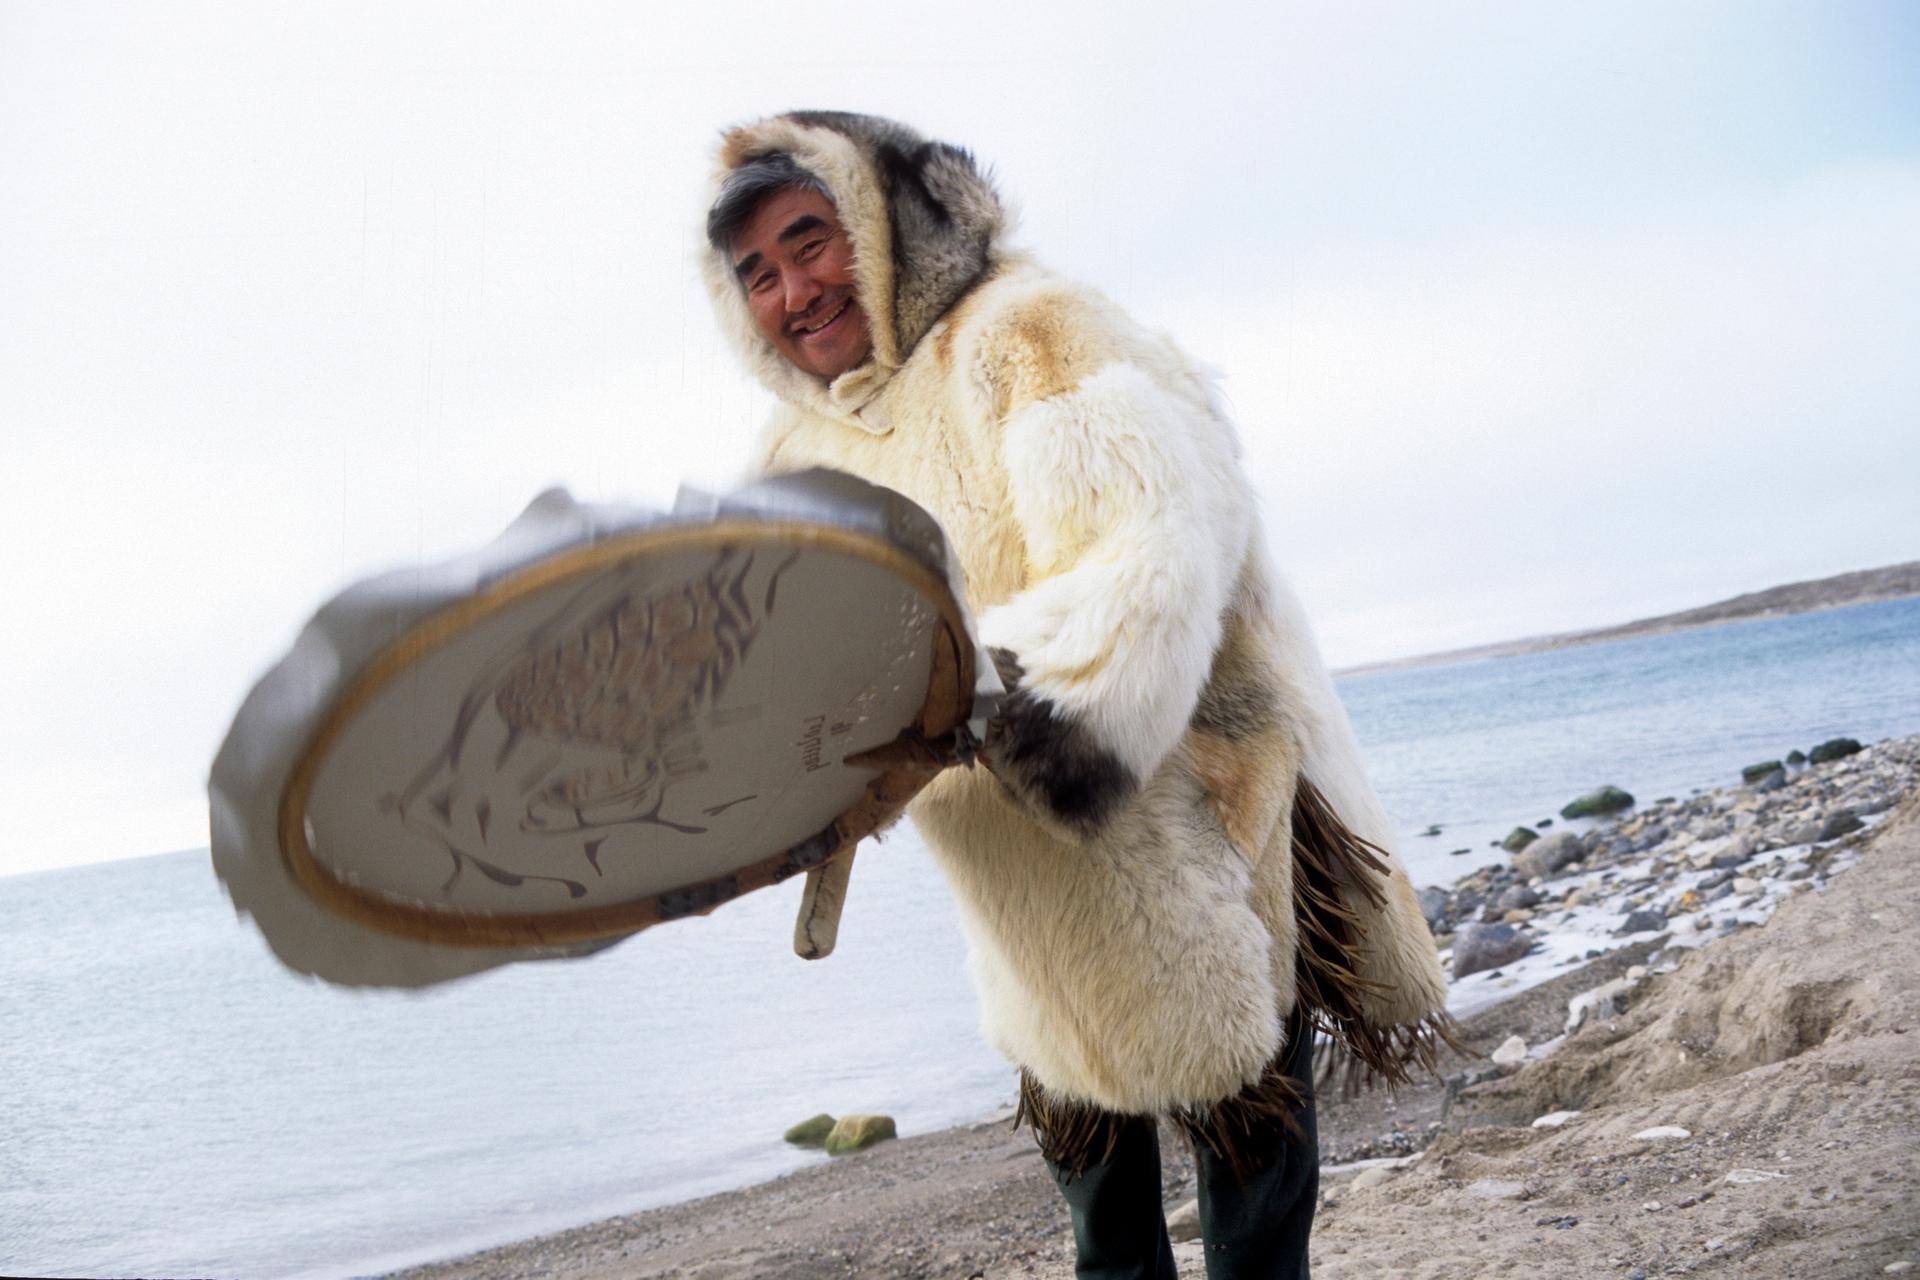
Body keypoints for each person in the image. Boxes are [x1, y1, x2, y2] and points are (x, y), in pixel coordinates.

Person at [701, 110, 1454, 1279]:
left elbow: (1145, 555)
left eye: (812, 239)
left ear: (883, 223)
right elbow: (781, 661)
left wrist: (998, 711)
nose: (793, 289)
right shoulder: (795, 456)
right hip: (1027, 893)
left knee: (1253, 1205)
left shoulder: (1028, 331)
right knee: (1104, 1227)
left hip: (1197, 815)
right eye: (757, 271)